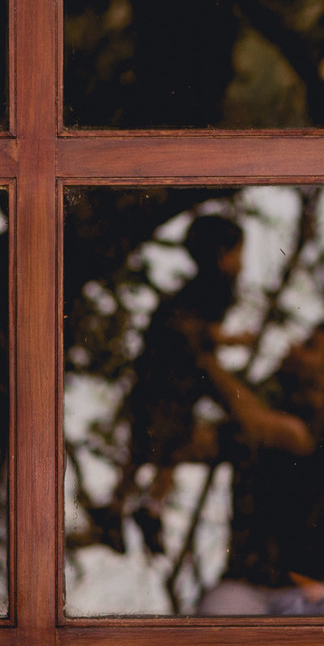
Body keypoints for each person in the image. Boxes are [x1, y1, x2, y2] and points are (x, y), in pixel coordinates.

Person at [196, 324, 324, 615]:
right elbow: (195, 445)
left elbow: (274, 430)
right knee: (213, 634)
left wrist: (204, 362)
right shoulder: (260, 419)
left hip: (312, 588)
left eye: (309, 347)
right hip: (244, 586)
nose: (293, 346)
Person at [94, 214, 253, 553]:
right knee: (161, 448)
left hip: (172, 379)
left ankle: (138, 508)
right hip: (168, 379)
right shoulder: (210, 289)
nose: (241, 262)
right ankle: (132, 508)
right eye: (238, 253)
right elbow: (193, 328)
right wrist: (230, 340)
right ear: (220, 254)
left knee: (161, 450)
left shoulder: (209, 289)